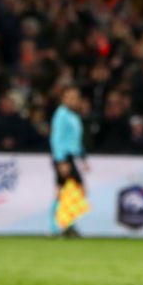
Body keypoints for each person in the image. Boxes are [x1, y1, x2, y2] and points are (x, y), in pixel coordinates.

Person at [50, 85, 89, 237]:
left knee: (73, 191)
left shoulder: (73, 115)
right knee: (63, 191)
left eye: (75, 98)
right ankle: (55, 227)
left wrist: (83, 158)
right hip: (63, 157)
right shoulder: (61, 115)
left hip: (71, 156)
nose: (73, 100)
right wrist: (60, 161)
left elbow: (75, 141)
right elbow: (57, 139)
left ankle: (68, 224)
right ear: (63, 99)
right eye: (70, 97)